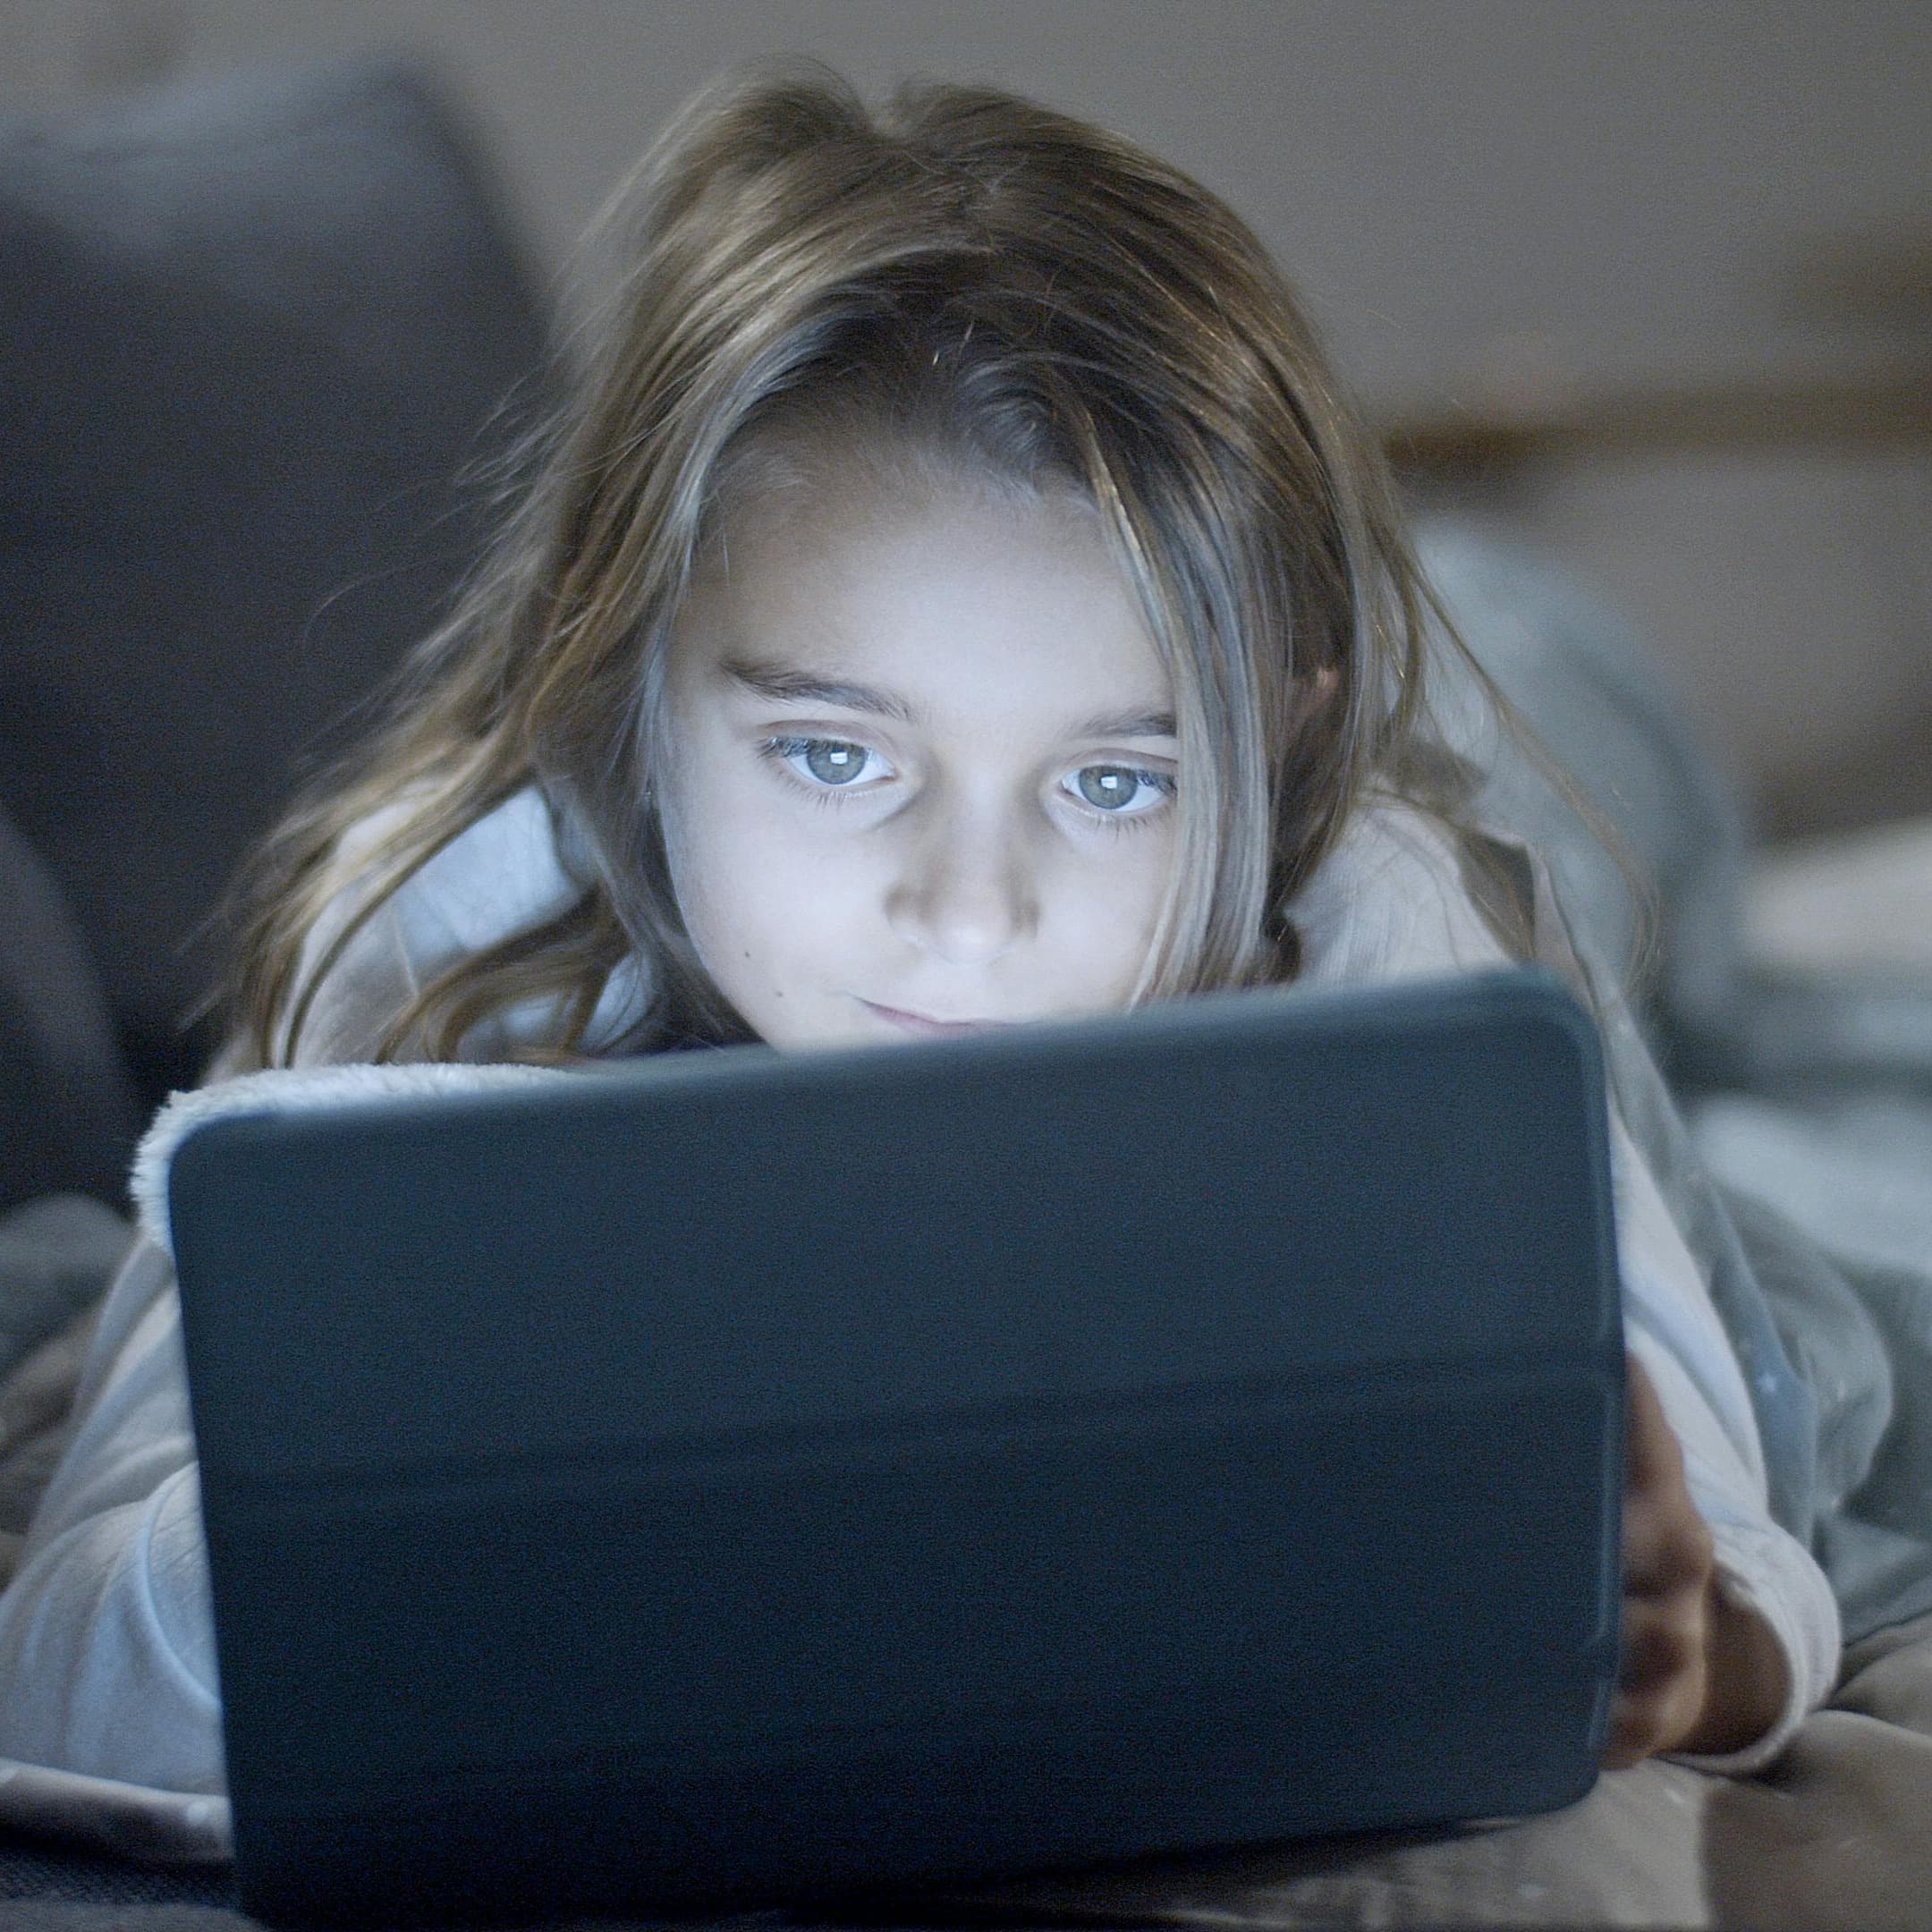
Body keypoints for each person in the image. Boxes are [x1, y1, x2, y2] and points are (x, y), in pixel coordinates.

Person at [0, 64, 1835, 1844]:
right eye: (833, 755)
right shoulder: (456, 940)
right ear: (629, 689)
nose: (971, 911)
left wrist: (1690, 1652)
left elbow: (1730, 1547)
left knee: (1576, 741)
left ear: (1268, 759)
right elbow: (58, 1663)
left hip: (1459, 763)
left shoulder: (1375, 917)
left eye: (1112, 783)